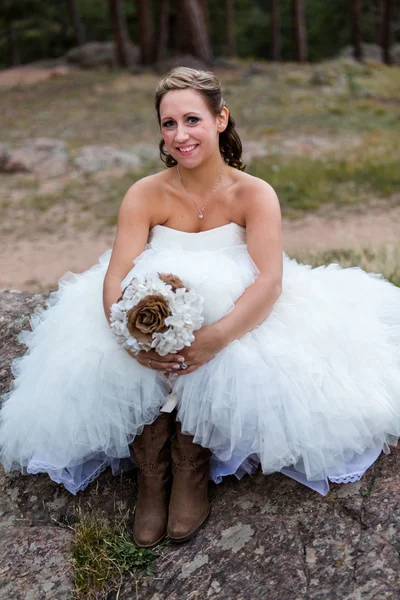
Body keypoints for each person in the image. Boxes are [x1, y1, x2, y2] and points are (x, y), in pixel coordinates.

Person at [1, 67, 400, 550]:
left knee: (233, 352)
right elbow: (116, 274)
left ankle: (192, 462)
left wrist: (216, 337)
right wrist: (128, 339)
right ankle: (153, 470)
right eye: (168, 124)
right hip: (148, 310)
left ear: (220, 119)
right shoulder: (145, 193)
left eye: (192, 119)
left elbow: (269, 280)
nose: (180, 135)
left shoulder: (254, 193)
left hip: (232, 315)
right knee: (105, 361)